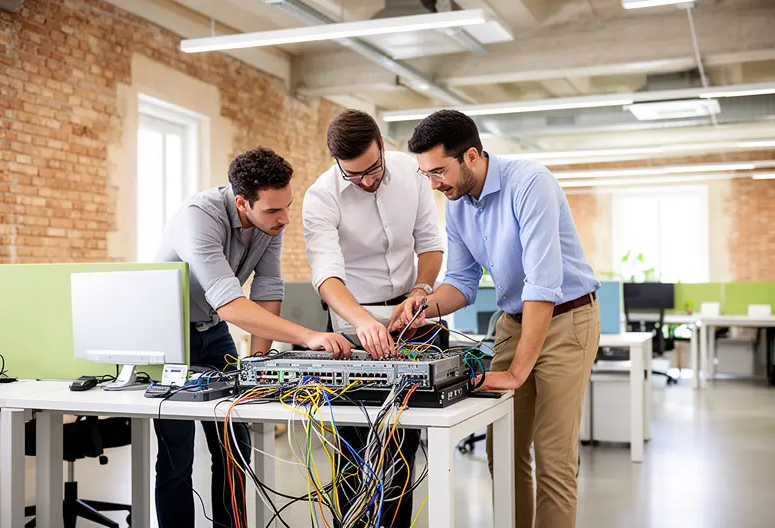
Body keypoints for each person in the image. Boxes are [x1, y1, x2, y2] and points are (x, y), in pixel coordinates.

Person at [390, 110, 601, 528]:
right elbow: (462, 282)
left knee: (554, 457)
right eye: (425, 175)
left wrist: (517, 373)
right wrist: (422, 305)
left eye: (438, 172)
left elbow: (543, 284)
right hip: (513, 322)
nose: (433, 184)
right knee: (503, 451)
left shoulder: (530, 183)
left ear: (471, 156)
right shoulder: (457, 205)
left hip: (566, 320)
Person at [154, 147, 352, 528]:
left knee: (234, 449)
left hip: (213, 333)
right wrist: (308, 335)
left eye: (288, 206)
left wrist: (258, 366)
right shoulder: (198, 218)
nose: (285, 219)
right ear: (242, 202)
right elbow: (230, 303)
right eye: (274, 211)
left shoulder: (268, 225)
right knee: (177, 454)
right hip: (171, 342)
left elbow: (267, 288)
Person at [302, 109, 445, 526]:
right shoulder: (321, 197)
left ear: (382, 145)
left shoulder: (411, 172)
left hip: (410, 314)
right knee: (352, 444)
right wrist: (363, 322)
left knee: (401, 441)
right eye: (354, 176)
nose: (366, 181)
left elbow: (430, 245)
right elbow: (326, 277)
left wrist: (421, 290)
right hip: (350, 316)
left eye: (373, 169)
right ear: (337, 165)